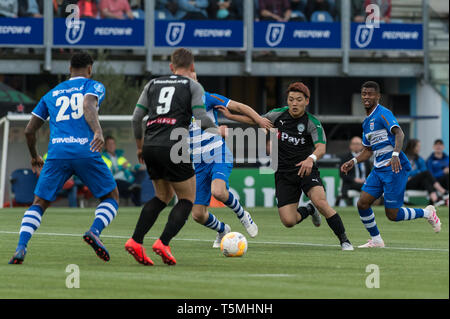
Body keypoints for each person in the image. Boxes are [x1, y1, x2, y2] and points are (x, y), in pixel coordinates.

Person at [9, 52, 120, 264]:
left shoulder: (51, 94)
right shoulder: (93, 85)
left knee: (39, 203)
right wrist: (98, 131)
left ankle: (20, 248)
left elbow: (29, 131)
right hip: (86, 150)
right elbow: (88, 105)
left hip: (57, 153)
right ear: (90, 69)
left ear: (69, 69)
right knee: (112, 196)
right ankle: (95, 231)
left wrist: (34, 157)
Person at [125, 48, 225, 266]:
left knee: (162, 196)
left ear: (171, 66)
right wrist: (218, 129)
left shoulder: (152, 84)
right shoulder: (193, 85)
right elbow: (200, 118)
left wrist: (140, 147)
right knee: (188, 199)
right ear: (192, 67)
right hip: (174, 145)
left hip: (150, 144)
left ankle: (135, 241)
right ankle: (163, 242)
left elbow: (136, 118)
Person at [244, 82, 354, 251]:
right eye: (291, 99)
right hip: (283, 174)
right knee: (289, 221)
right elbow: (255, 120)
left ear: (306, 101)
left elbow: (321, 148)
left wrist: (311, 158)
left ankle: (344, 240)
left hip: (306, 170)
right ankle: (308, 209)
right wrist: (230, 114)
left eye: (299, 100)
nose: (294, 103)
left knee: (321, 202)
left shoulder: (312, 122)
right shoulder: (277, 115)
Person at [341, 81, 441, 249]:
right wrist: (353, 161)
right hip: (379, 168)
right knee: (362, 203)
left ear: (378, 96)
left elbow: (399, 133)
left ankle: (428, 213)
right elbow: (368, 150)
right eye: (364, 94)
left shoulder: (383, 113)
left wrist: (395, 154)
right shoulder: (367, 123)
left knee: (392, 214)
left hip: (395, 167)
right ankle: (377, 240)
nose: (366, 97)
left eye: (370, 94)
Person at [187, 72, 273, 247]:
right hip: (198, 161)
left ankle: (242, 214)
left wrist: (259, 120)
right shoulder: (178, 107)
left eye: (194, 79)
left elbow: (240, 107)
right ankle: (222, 230)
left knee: (218, 192)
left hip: (218, 152)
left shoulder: (208, 98)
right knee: (197, 214)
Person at [404, 139, 448, 205]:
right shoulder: (404, 157)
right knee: (426, 174)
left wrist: (416, 173)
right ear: (412, 147)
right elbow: (404, 172)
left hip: (417, 182)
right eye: (418, 146)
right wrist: (417, 172)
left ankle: (435, 200)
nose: (419, 148)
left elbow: (424, 169)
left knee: (426, 180)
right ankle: (444, 192)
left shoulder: (419, 158)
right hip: (406, 182)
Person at [102, 136, 141, 206]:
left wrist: (136, 168)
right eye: (109, 144)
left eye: (113, 144)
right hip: (113, 181)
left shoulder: (121, 157)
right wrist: (120, 167)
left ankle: (138, 207)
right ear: (105, 146)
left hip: (126, 180)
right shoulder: (103, 157)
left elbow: (129, 168)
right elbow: (107, 172)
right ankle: (131, 187)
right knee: (119, 182)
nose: (111, 146)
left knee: (140, 177)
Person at [337, 136, 371, 206]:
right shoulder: (345, 158)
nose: (356, 146)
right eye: (354, 144)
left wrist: (365, 180)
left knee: (373, 187)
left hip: (364, 182)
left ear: (362, 146)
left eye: (358, 144)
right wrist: (354, 179)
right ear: (350, 146)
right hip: (351, 183)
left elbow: (369, 173)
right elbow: (342, 174)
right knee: (366, 187)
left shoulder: (366, 158)